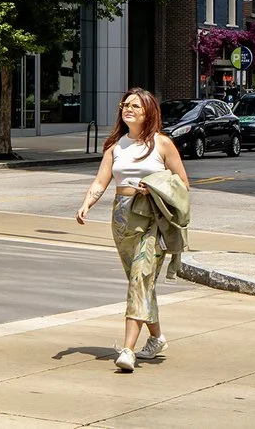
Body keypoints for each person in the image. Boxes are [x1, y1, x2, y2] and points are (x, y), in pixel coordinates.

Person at [74, 87, 191, 374]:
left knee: (139, 280)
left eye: (135, 106)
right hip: (122, 218)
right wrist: (86, 204)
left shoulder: (162, 144)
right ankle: (156, 338)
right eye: (125, 105)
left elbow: (183, 184)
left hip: (151, 217)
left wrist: (153, 187)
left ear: (148, 111)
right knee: (141, 283)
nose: (128, 109)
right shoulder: (115, 146)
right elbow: (101, 182)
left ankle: (127, 350)